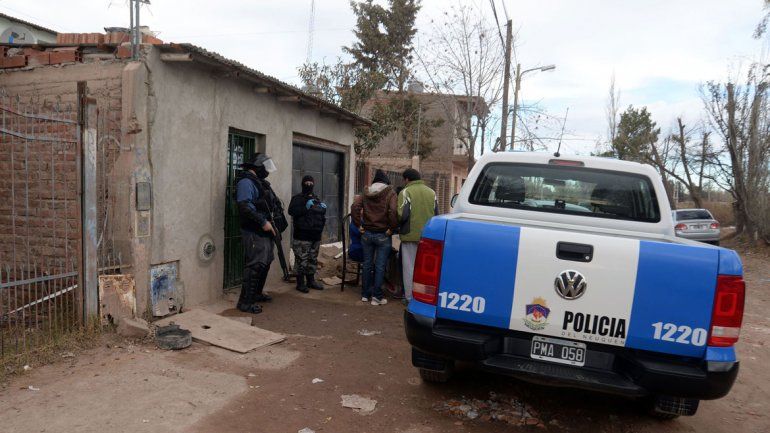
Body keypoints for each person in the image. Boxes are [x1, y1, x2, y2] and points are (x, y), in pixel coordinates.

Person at [234, 153, 284, 314]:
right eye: (265, 167)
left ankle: (256, 294)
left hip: (265, 230)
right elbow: (244, 206)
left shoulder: (259, 182)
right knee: (255, 265)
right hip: (254, 230)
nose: (267, 171)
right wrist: (263, 222)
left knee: (265, 262)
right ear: (257, 166)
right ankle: (245, 302)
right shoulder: (246, 182)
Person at [351, 169, 398, 306]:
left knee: (367, 264)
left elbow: (355, 207)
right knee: (380, 266)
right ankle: (376, 297)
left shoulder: (366, 192)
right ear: (386, 181)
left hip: (366, 234)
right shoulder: (390, 193)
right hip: (383, 234)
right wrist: (392, 228)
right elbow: (393, 211)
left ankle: (365, 294)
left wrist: (358, 224)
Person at [398, 168, 438, 303]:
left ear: (407, 179)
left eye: (403, 180)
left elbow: (402, 215)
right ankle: (425, 297)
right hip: (428, 236)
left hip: (410, 235)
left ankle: (410, 297)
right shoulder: (432, 192)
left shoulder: (406, 192)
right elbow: (436, 214)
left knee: (409, 266)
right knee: (425, 269)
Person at [288, 175, 327, 293]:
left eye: (311, 183)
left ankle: (311, 281)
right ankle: (300, 283)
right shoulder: (297, 199)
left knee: (312, 260)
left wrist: (322, 209)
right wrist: (305, 207)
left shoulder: (316, 198)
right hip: (302, 236)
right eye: (307, 183)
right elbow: (292, 211)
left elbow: (319, 216)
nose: (309, 185)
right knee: (301, 260)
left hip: (315, 236)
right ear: (302, 184)